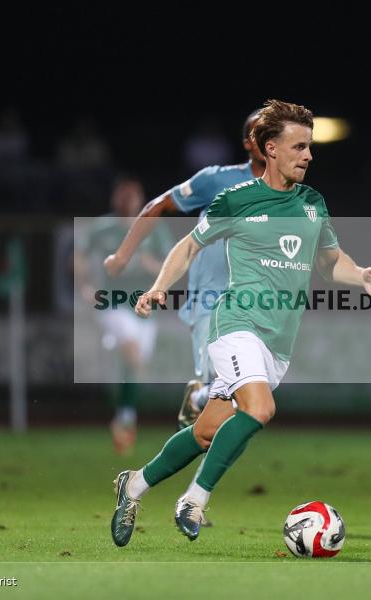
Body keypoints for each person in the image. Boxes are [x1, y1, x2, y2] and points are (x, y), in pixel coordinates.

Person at [109, 99, 371, 546]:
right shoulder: (236, 199)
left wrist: (362, 277)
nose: (308, 155)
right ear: (271, 149)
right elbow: (188, 247)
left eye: (310, 147)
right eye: (299, 146)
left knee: (205, 432)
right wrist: (159, 286)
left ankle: (134, 484)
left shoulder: (313, 204)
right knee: (259, 410)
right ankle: (194, 500)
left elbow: (331, 262)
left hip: (277, 344)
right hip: (234, 323)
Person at [103, 109, 266, 430]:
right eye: (265, 133)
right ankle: (195, 406)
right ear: (249, 142)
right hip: (213, 298)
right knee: (232, 393)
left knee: (244, 400)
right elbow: (158, 206)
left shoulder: (292, 194)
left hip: (257, 302)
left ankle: (199, 402)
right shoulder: (217, 180)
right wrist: (122, 256)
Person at [75, 174, 173, 455]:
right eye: (122, 193)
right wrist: (86, 287)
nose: (127, 199)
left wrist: (147, 263)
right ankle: (126, 413)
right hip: (112, 304)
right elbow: (78, 258)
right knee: (131, 353)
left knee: (133, 366)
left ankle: (124, 417)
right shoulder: (101, 228)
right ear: (114, 197)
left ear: (142, 198)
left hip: (144, 309)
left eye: (133, 194)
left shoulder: (154, 229)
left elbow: (170, 267)